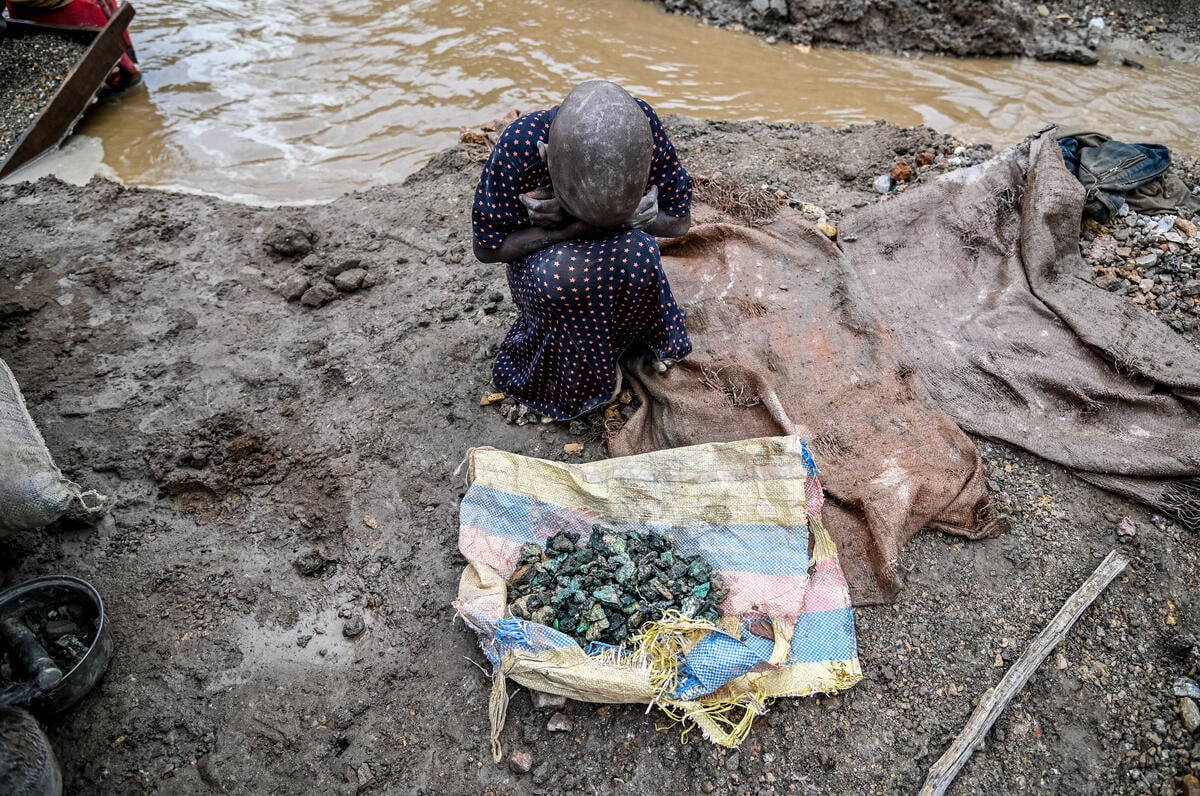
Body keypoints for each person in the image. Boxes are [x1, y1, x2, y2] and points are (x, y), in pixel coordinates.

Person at [471, 80, 694, 422]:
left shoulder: (641, 130)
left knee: (642, 254)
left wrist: (646, 217)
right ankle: (575, 375)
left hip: (620, 234)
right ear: (548, 159)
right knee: (562, 278)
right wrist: (567, 228)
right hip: (547, 257)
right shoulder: (521, 146)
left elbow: (678, 223)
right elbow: (487, 248)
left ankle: (632, 344)